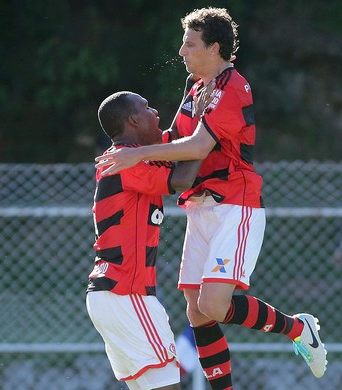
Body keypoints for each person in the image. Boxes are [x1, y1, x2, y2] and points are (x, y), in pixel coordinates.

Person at [94, 7, 327, 388]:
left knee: (215, 304)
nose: (182, 52)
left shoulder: (234, 87)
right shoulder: (196, 87)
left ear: (214, 48)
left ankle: (298, 328)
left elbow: (199, 145)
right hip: (200, 205)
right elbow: (173, 139)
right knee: (198, 312)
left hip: (235, 203)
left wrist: (135, 153)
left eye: (190, 44)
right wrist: (134, 149)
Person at [86, 91, 202, 390]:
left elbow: (175, 140)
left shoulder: (138, 156)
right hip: (127, 294)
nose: (156, 112)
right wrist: (209, 137)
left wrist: (192, 96)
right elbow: (182, 177)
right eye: (148, 108)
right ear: (134, 120)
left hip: (113, 295)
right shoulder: (127, 162)